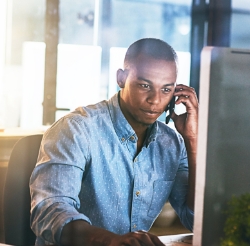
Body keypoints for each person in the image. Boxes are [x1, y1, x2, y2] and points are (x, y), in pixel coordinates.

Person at [29, 38, 198, 246]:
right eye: (145, 85)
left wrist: (193, 141)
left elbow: (196, 221)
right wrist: (112, 241)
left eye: (166, 90)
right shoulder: (77, 129)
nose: (155, 100)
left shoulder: (172, 143)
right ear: (121, 78)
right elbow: (49, 212)